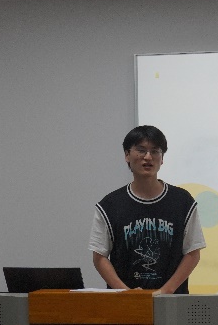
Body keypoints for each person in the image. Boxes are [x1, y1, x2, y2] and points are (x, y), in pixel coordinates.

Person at [88, 125, 206, 294]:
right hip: (125, 302)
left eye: (155, 151)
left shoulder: (183, 201)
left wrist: (166, 290)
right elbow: (99, 256)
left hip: (172, 301)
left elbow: (193, 252)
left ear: (162, 158)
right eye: (141, 150)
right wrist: (127, 293)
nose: (148, 157)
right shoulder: (109, 205)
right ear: (127, 155)